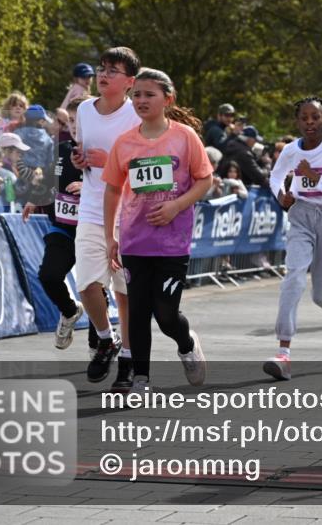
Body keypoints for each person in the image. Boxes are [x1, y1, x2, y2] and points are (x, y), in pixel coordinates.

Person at [102, 68, 212, 396]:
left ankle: (186, 343)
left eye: (149, 94)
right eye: (136, 94)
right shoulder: (124, 142)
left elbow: (205, 180)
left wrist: (176, 206)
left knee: (165, 314)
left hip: (172, 243)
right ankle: (141, 379)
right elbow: (112, 189)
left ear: (168, 99)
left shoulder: (184, 137)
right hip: (135, 241)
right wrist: (110, 237)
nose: (141, 100)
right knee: (137, 312)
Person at [264, 96, 322, 381]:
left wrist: (315, 178)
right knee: (293, 277)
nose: (309, 123)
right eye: (304, 118)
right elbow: (275, 177)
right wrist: (282, 196)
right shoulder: (291, 150)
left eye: (315, 117)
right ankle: (283, 353)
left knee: (319, 293)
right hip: (301, 215)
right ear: (297, 122)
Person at [71, 46, 141, 388]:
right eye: (102, 68)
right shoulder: (84, 109)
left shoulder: (137, 114)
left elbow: (145, 166)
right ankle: (105, 339)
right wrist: (80, 160)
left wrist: (109, 160)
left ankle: (128, 358)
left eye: (113, 70)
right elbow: (86, 155)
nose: (103, 75)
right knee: (86, 285)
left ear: (129, 81)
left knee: (124, 293)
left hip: (129, 214)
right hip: (91, 208)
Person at [23, 96, 97, 356]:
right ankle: (69, 311)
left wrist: (88, 188)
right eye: (72, 121)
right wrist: (35, 199)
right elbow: (49, 182)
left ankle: (98, 345)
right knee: (49, 276)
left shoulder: (104, 150)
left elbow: (116, 183)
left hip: (94, 229)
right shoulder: (60, 150)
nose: (75, 126)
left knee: (93, 288)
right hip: (64, 227)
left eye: (81, 121)